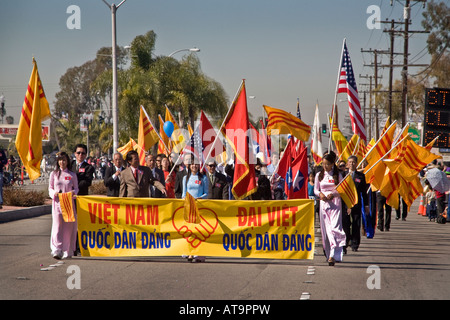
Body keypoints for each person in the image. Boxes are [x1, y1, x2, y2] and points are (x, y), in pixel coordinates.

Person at [314, 151, 346, 266]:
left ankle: (334, 254)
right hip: (324, 205)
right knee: (327, 229)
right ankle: (330, 254)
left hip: (335, 204)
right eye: (323, 164)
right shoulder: (319, 175)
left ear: (332, 164)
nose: (325, 166)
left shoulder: (338, 175)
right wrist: (320, 194)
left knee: (335, 228)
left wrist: (334, 194)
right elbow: (316, 190)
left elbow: (342, 190)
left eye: (327, 164)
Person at [48, 152, 79, 259]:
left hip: (68, 204)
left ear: (67, 161)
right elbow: (50, 188)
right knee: (57, 226)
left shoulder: (72, 175)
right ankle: (56, 249)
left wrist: (72, 193)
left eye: (64, 160)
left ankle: (67, 250)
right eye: (60, 160)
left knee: (68, 228)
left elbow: (76, 189)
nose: (62, 162)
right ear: (58, 161)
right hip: (57, 204)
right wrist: (53, 194)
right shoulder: (54, 174)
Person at [342, 155, 369, 252]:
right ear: (347, 164)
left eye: (353, 162)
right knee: (345, 225)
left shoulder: (361, 176)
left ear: (356, 164)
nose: (351, 164)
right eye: (350, 162)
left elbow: (364, 193)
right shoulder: (343, 175)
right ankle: (344, 244)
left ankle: (355, 244)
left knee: (356, 225)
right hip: (344, 204)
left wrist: (366, 205)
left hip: (356, 204)